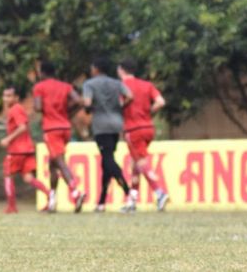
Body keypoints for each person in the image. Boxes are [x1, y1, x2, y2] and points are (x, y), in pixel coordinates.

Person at [32, 62, 86, 213]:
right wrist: (66, 111)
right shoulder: (65, 86)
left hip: (51, 128)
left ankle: (76, 193)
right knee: (52, 164)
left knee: (60, 162)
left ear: (42, 73)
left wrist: (48, 107)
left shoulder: (39, 87)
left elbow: (37, 107)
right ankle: (52, 201)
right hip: (65, 128)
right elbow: (78, 101)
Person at [117, 58, 169, 212]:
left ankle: (159, 192)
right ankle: (132, 201)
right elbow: (160, 102)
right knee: (135, 164)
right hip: (148, 127)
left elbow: (120, 104)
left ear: (121, 70)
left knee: (141, 162)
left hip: (134, 129)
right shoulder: (147, 85)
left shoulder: (122, 87)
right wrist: (148, 113)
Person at [82, 57, 132, 212]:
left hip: (101, 125)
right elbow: (130, 96)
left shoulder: (89, 84)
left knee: (108, 160)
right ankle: (102, 201)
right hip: (116, 123)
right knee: (106, 162)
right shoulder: (116, 83)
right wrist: (120, 108)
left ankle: (129, 193)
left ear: (96, 69)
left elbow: (87, 103)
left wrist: (89, 109)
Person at [0, 86, 50, 214]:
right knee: (28, 178)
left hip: (17, 150)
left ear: (16, 98)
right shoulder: (18, 109)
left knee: (7, 175)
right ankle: (49, 195)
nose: (6, 99)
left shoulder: (15, 109)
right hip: (27, 149)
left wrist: (8, 139)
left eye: (9, 96)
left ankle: (11, 207)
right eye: (4, 95)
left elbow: (22, 127)